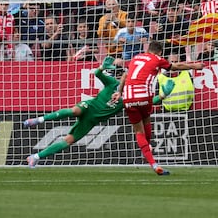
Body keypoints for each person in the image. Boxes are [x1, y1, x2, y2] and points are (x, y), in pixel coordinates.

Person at [24, 56, 176, 168]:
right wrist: (102, 67)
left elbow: (146, 102)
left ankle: (35, 157)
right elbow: (97, 74)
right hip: (89, 106)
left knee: (69, 140)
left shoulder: (131, 95)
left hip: (92, 121)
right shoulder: (113, 83)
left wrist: (162, 96)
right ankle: (38, 120)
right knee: (75, 110)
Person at [111, 40, 204, 175]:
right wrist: (195, 66)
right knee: (147, 122)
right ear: (160, 52)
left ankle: (152, 162)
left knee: (138, 131)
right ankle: (148, 149)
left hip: (129, 97)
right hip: (144, 97)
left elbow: (125, 75)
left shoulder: (135, 58)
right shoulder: (158, 59)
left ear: (148, 49)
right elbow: (176, 66)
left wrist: (119, 92)